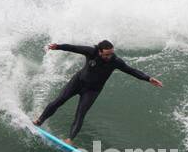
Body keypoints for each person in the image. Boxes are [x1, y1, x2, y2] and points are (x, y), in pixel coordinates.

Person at [31, 40, 163, 143]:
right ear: (99, 51)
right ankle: (39, 121)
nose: (109, 56)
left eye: (111, 53)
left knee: (80, 114)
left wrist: (148, 78)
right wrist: (58, 46)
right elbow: (74, 48)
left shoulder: (115, 61)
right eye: (106, 54)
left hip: (92, 91)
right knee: (59, 101)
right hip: (77, 82)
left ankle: (69, 140)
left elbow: (132, 71)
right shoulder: (91, 52)